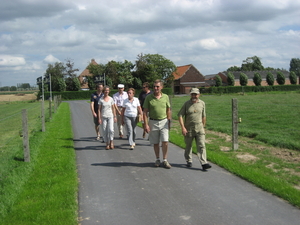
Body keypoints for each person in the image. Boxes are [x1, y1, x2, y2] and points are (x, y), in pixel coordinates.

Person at [177, 88, 212, 170]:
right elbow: (180, 115)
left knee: (201, 145)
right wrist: (183, 127)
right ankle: (189, 160)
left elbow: (204, 116)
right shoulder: (186, 104)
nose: (194, 96)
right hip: (189, 128)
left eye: (196, 94)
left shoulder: (202, 103)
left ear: (199, 95)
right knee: (188, 145)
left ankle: (204, 163)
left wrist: (203, 127)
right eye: (193, 94)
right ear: (190, 94)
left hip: (199, 128)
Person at [143, 79, 172, 169]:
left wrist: (169, 120)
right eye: (154, 86)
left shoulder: (166, 97)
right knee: (155, 142)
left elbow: (168, 110)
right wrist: (146, 125)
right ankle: (157, 159)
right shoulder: (149, 97)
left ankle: (165, 160)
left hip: (164, 121)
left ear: (161, 87)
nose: (156, 88)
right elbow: (145, 112)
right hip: (153, 121)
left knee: (165, 141)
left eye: (158, 86)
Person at [98, 86, 117, 150]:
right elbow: (99, 110)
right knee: (104, 130)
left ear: (109, 91)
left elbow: (113, 108)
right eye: (105, 90)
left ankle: (111, 142)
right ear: (103, 91)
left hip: (110, 116)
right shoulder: (101, 99)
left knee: (111, 130)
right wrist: (99, 118)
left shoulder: (111, 99)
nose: (106, 91)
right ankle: (107, 144)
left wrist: (115, 116)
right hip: (103, 117)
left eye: (108, 90)